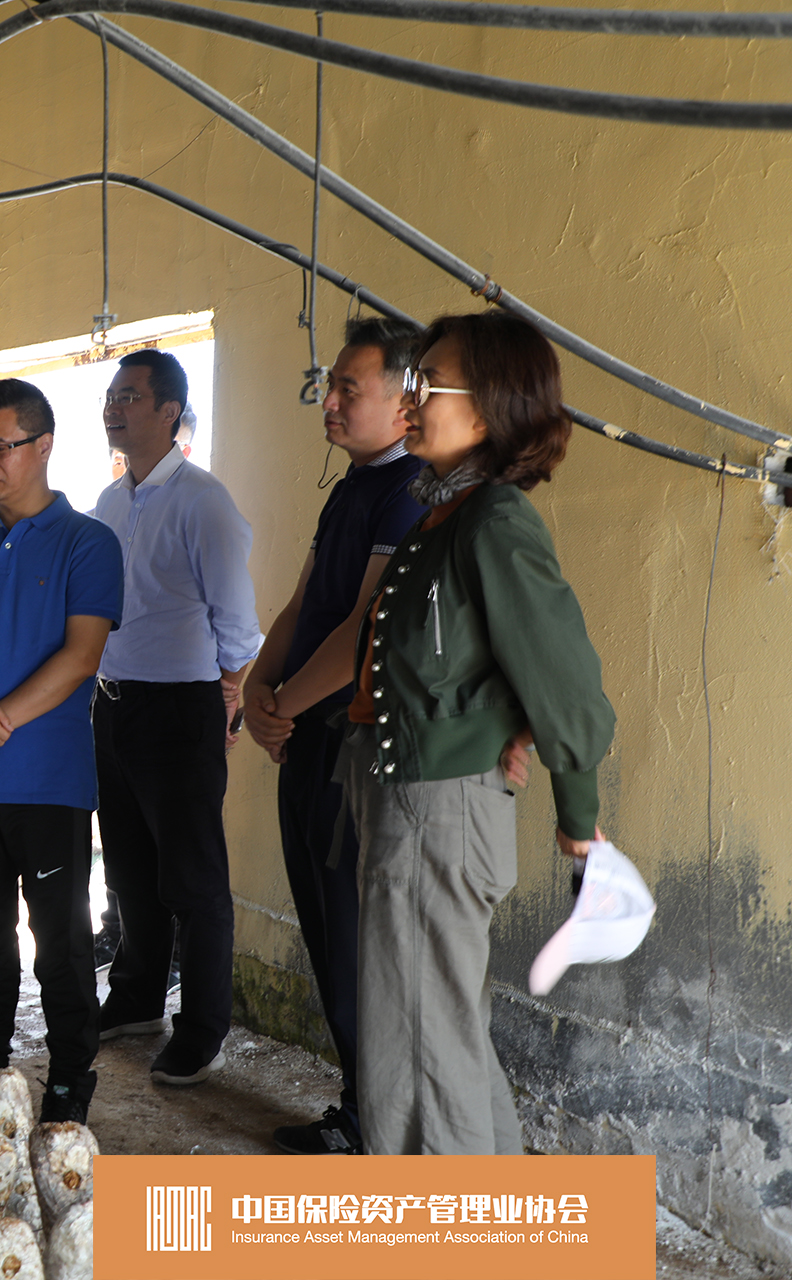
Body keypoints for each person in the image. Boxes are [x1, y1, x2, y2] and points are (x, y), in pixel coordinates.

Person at [343, 311, 613, 1154]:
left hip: (439, 810)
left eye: (429, 384)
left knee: (418, 1050)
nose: (411, 399)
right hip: (413, 798)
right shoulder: (446, 517)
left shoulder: (493, 520)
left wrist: (578, 821)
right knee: (438, 1032)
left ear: (492, 408)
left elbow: (565, 683)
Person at [241, 317, 426, 1155]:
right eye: (332, 386)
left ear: (406, 399)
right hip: (306, 735)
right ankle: (360, 1106)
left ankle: (378, 1122)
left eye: (351, 387)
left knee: (359, 942)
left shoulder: (412, 489)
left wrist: (283, 702)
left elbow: (363, 631)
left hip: (354, 745)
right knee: (327, 931)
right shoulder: (352, 487)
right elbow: (303, 603)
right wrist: (258, 685)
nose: (332, 401)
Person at [0, 379, 122, 1124]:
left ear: (44, 446)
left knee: (59, 940)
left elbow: (81, 656)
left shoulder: (88, 542)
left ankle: (69, 1076)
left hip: (47, 781)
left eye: (1, 447)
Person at [91, 348, 264, 1088]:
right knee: (129, 870)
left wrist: (228, 693)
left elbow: (239, 624)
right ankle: (136, 998)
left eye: (129, 396)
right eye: (110, 395)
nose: (113, 407)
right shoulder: (109, 501)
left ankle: (203, 1029)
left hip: (180, 708)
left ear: (169, 411)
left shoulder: (203, 501)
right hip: (114, 705)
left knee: (192, 879)